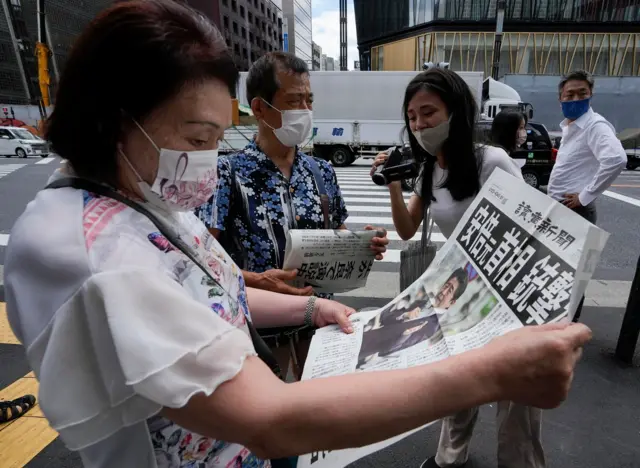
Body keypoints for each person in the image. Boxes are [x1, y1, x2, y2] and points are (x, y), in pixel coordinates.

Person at [4, 2, 592, 467]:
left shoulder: (140, 191)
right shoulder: (91, 253)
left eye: (215, 139)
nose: (208, 160)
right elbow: (271, 419)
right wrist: (489, 372)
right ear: (113, 117)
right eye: (196, 137)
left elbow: (211, 287)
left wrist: (311, 308)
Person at [371, 68, 544, 468]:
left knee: (515, 391)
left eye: (428, 112)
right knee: (460, 377)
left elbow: (528, 227)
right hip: (462, 286)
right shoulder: (430, 167)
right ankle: (450, 457)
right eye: (412, 117)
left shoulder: (492, 161)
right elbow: (407, 227)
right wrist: (395, 182)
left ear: (456, 112)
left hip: (508, 290)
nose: (419, 125)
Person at [194, 51, 389, 375]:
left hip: (320, 326)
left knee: (321, 413)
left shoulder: (321, 171)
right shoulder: (227, 173)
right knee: (268, 419)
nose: (306, 111)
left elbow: (335, 231)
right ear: (260, 108)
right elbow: (199, 258)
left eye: (309, 100)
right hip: (257, 333)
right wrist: (255, 280)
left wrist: (361, 243)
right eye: (295, 101)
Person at [547, 70, 627, 322]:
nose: (575, 99)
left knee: (572, 274)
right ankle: (558, 323)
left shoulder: (594, 125)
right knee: (559, 270)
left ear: (591, 95)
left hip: (576, 210)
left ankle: (567, 328)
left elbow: (616, 159)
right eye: (569, 94)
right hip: (563, 208)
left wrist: (584, 196)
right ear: (560, 98)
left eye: (582, 93)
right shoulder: (573, 127)